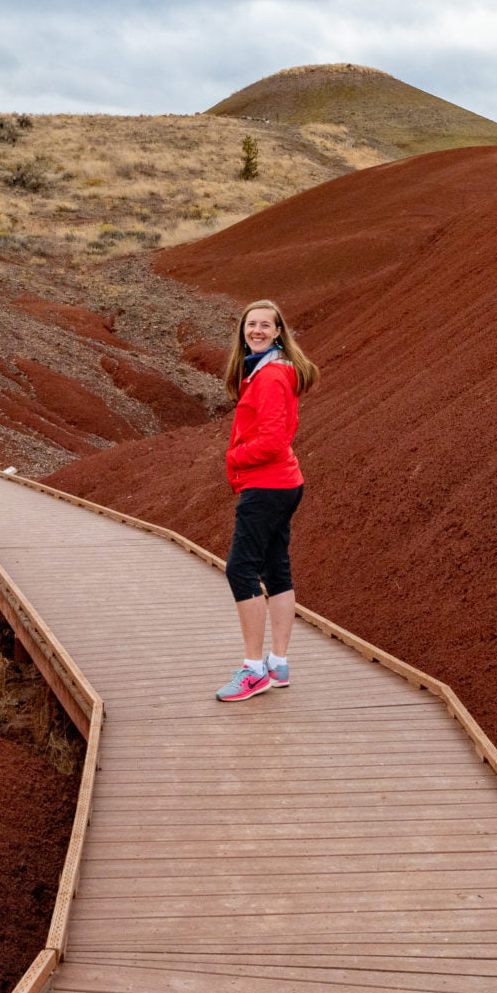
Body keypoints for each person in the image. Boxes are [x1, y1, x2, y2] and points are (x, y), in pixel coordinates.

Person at [214, 299, 319, 701]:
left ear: (278, 332)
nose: (256, 330)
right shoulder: (269, 370)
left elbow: (273, 441)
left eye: (264, 325)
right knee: (276, 570)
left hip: (267, 485)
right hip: (283, 483)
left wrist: (234, 457)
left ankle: (254, 670)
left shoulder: (271, 375)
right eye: (250, 324)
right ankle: (278, 664)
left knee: (241, 569)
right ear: (243, 331)